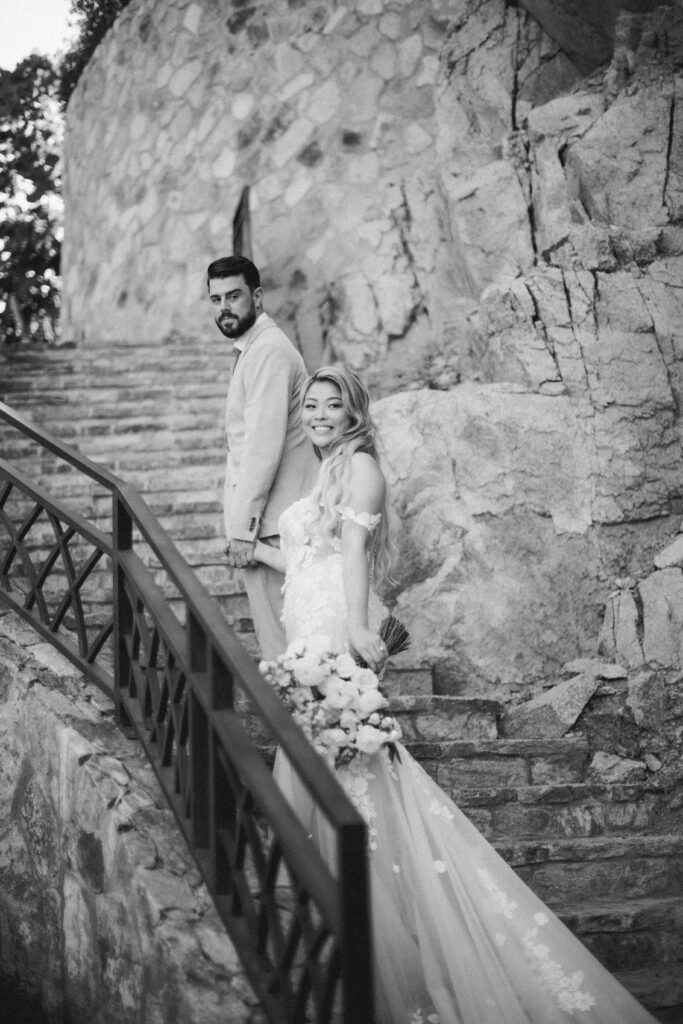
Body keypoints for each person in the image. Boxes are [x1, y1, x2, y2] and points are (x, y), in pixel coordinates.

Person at [252, 366, 658, 1024]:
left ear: (353, 411)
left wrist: (356, 627)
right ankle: (331, 922)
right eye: (312, 406)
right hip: (305, 618)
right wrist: (255, 553)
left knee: (345, 764)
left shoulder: (360, 466)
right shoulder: (322, 469)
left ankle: (378, 941)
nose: (319, 415)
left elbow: (351, 553)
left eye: (332, 405)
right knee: (322, 758)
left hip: (332, 622)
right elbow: (308, 556)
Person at [208, 255, 318, 659]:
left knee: (288, 655)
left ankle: (303, 725)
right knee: (292, 655)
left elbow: (261, 448)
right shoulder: (253, 349)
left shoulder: (268, 351)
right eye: (215, 299)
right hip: (271, 524)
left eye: (233, 296)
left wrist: (243, 529)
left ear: (256, 296)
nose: (224, 307)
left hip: (272, 528)